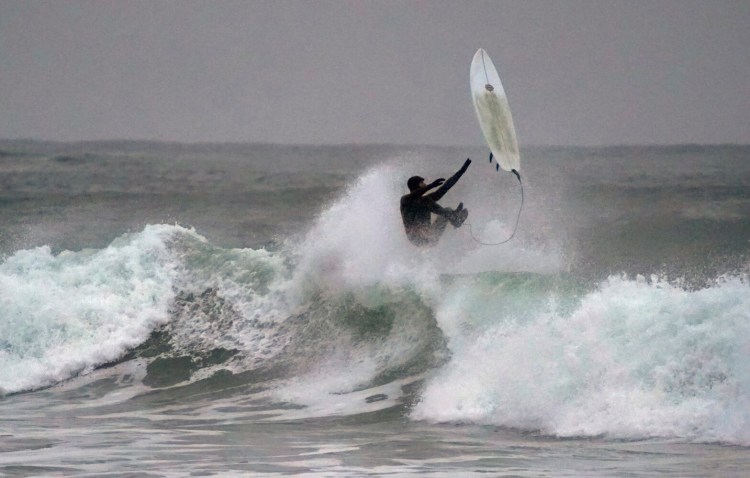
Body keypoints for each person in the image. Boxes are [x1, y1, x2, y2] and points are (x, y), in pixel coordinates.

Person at [400, 158, 471, 247]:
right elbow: (416, 194)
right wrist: (431, 185)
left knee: (447, 209)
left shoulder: (424, 199)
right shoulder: (405, 200)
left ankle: (455, 218)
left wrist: (461, 171)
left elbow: (445, 188)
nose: (425, 184)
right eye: (422, 183)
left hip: (431, 237)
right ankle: (454, 218)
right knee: (425, 201)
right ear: (416, 185)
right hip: (417, 238)